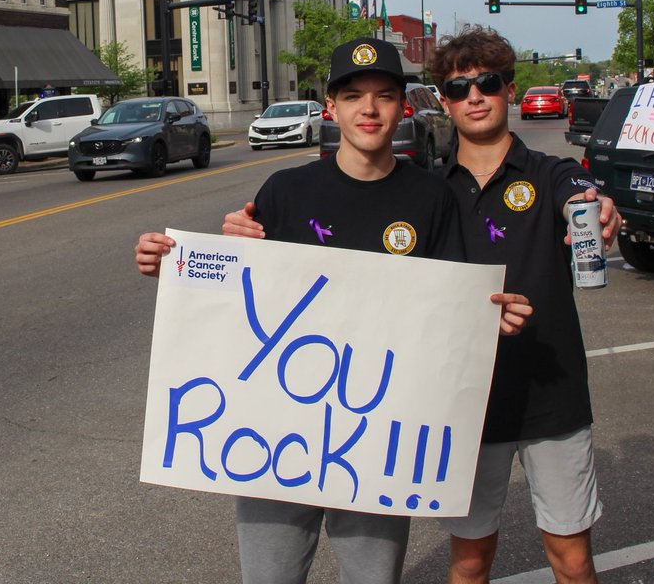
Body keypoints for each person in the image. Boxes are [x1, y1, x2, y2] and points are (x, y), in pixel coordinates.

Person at [223, 28, 620, 584]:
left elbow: (576, 194)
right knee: (468, 561)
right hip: (430, 408)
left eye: (488, 84)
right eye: (458, 88)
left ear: (509, 89)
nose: (474, 97)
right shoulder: (421, 188)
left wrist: (596, 206)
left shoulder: (532, 177)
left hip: (534, 398)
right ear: (331, 107)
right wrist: (193, 257)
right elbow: (246, 287)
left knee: (571, 561)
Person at [135, 37, 532, 584]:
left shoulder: (431, 198)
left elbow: (451, 310)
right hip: (273, 436)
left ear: (403, 106)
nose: (369, 109)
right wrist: (174, 265)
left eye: (384, 96)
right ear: (331, 107)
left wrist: (491, 319)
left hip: (374, 440)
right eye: (352, 96)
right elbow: (237, 298)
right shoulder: (285, 190)